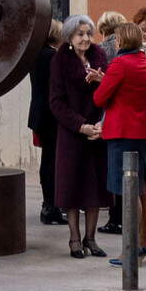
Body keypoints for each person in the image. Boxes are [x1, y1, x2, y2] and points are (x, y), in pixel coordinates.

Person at [94, 21, 146, 262]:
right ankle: (144, 244)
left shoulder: (120, 63)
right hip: (143, 130)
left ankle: (130, 250)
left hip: (122, 132)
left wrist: (104, 81)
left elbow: (100, 98)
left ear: (121, 41)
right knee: (143, 189)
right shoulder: (144, 61)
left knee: (128, 192)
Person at [47, 16, 108, 257]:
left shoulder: (100, 58)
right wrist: (81, 126)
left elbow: (111, 93)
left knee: (94, 188)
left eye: (89, 34)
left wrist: (101, 124)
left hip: (96, 132)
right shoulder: (60, 61)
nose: (85, 38)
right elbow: (56, 102)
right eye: (80, 34)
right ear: (70, 37)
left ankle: (90, 239)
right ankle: (74, 239)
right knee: (72, 186)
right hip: (72, 132)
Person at [28, 16, 65, 226]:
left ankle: (48, 205)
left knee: (47, 159)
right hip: (51, 114)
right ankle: (51, 206)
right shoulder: (52, 56)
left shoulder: (37, 54)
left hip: (39, 112)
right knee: (52, 160)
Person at [94, 11, 128, 232]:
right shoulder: (133, 54)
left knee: (112, 166)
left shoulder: (102, 50)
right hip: (128, 118)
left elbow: (102, 93)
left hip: (109, 113)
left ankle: (115, 216)